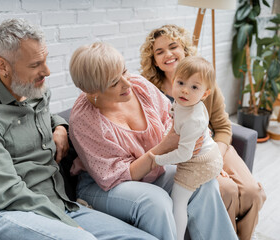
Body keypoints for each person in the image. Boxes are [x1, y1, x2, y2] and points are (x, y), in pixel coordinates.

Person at [0, 18, 158, 240]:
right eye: (34, 65)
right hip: (7, 211)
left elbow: (41, 117)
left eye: (45, 60)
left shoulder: (31, 92)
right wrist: (69, 226)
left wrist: (60, 125)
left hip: (58, 203)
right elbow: (7, 193)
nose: (47, 71)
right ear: (3, 67)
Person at [68, 42, 238, 240]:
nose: (127, 83)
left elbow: (172, 120)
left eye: (125, 71)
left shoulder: (139, 86)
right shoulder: (84, 121)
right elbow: (116, 175)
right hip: (106, 185)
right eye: (115, 82)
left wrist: (206, 160)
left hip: (153, 170)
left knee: (203, 183)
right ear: (92, 90)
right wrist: (165, 146)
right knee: (156, 202)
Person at [140, 24, 267, 240]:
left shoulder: (205, 81)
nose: (168, 55)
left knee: (253, 192)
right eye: (159, 52)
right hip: (185, 155)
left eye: (173, 47)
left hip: (214, 146)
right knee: (225, 189)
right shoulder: (149, 89)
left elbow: (224, 127)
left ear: (184, 49)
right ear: (153, 60)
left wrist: (215, 158)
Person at [151, 56, 223, 240]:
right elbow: (175, 118)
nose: (184, 90)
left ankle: (177, 237)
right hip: (207, 152)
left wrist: (157, 159)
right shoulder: (183, 102)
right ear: (173, 81)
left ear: (205, 94)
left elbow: (183, 154)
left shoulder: (194, 119)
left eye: (194, 87)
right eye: (181, 82)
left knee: (178, 201)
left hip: (199, 162)